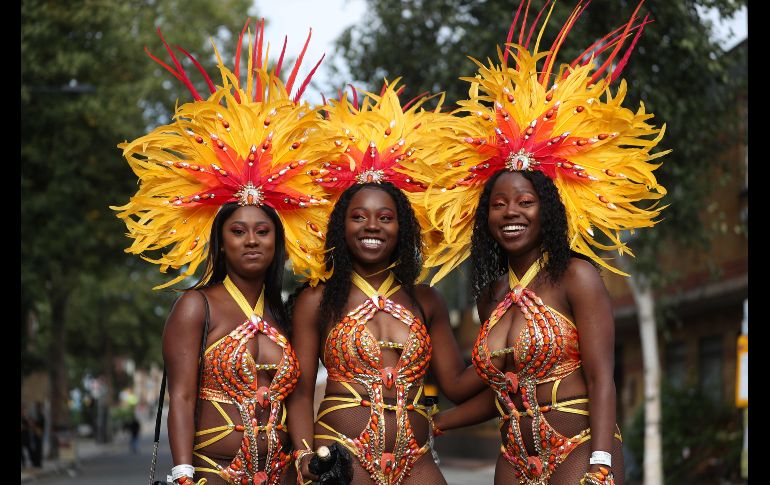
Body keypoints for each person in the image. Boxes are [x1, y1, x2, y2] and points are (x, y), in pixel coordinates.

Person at [423, 3, 668, 484]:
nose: (511, 213)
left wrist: (601, 459)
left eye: (526, 203)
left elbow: (602, 378)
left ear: (548, 211)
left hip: (578, 448)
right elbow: (500, 390)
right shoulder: (490, 293)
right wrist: (437, 422)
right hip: (513, 455)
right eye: (499, 205)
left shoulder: (574, 276)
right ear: (485, 217)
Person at [111, 19, 329, 485]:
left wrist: (310, 459)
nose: (252, 240)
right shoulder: (196, 306)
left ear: (278, 242)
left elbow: (298, 400)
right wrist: (184, 471)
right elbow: (184, 398)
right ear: (221, 241)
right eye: (238, 231)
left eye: (263, 233)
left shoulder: (284, 313)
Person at [287, 84, 484, 485]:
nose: (372, 226)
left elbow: (458, 385)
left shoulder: (426, 300)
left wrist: (509, 346)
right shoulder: (317, 299)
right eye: (359, 217)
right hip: (344, 460)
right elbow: (301, 391)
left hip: (417, 461)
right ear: (341, 226)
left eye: (385, 217)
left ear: (403, 228)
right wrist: (306, 459)